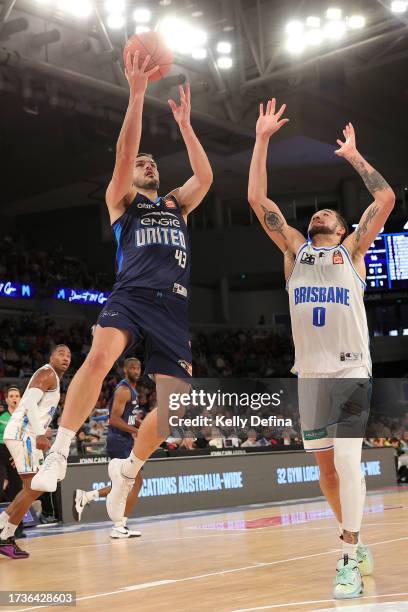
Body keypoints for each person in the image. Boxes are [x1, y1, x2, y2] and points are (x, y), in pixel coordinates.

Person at [32, 51, 213, 527]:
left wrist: (186, 125)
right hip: (131, 295)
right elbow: (122, 153)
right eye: (142, 162)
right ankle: (62, 448)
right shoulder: (122, 202)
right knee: (98, 358)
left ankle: (129, 469)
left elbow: (207, 177)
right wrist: (136, 95)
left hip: (172, 308)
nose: (148, 164)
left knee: (173, 408)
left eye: (153, 162)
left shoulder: (177, 204)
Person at [248, 99, 395, 600]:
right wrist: (262, 139)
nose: (321, 211)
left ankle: (349, 553)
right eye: (317, 211)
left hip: (352, 368)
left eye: (330, 210)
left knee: (350, 464)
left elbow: (387, 196)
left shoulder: (351, 250)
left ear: (344, 223)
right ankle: (358, 538)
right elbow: (256, 199)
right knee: (327, 471)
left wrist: (354, 156)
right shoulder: (294, 250)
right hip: (309, 375)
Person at [0, 346, 71, 559]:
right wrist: (40, 434)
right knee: (34, 487)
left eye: (68, 355)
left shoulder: (54, 379)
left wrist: (43, 430)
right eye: (61, 353)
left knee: (35, 487)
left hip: (27, 434)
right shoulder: (47, 372)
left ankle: (4, 525)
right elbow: (28, 402)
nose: (66, 358)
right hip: (25, 434)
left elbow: (37, 408)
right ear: (51, 357)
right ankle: (6, 536)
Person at [73, 358, 143, 539]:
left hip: (124, 440)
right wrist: (136, 431)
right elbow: (114, 419)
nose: (136, 370)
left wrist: (141, 425)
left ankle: (86, 497)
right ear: (125, 370)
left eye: (138, 367)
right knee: (134, 482)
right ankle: (120, 525)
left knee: (122, 484)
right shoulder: (124, 390)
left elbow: (127, 417)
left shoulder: (133, 390)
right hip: (119, 441)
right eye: (132, 368)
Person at [0, 388, 24, 531]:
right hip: (1, 454)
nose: (14, 398)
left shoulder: (23, 417)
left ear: (20, 399)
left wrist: (18, 456)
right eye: (11, 396)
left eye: (16, 396)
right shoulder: (1, 417)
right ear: (7, 399)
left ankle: (15, 528)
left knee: (17, 492)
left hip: (16, 456)